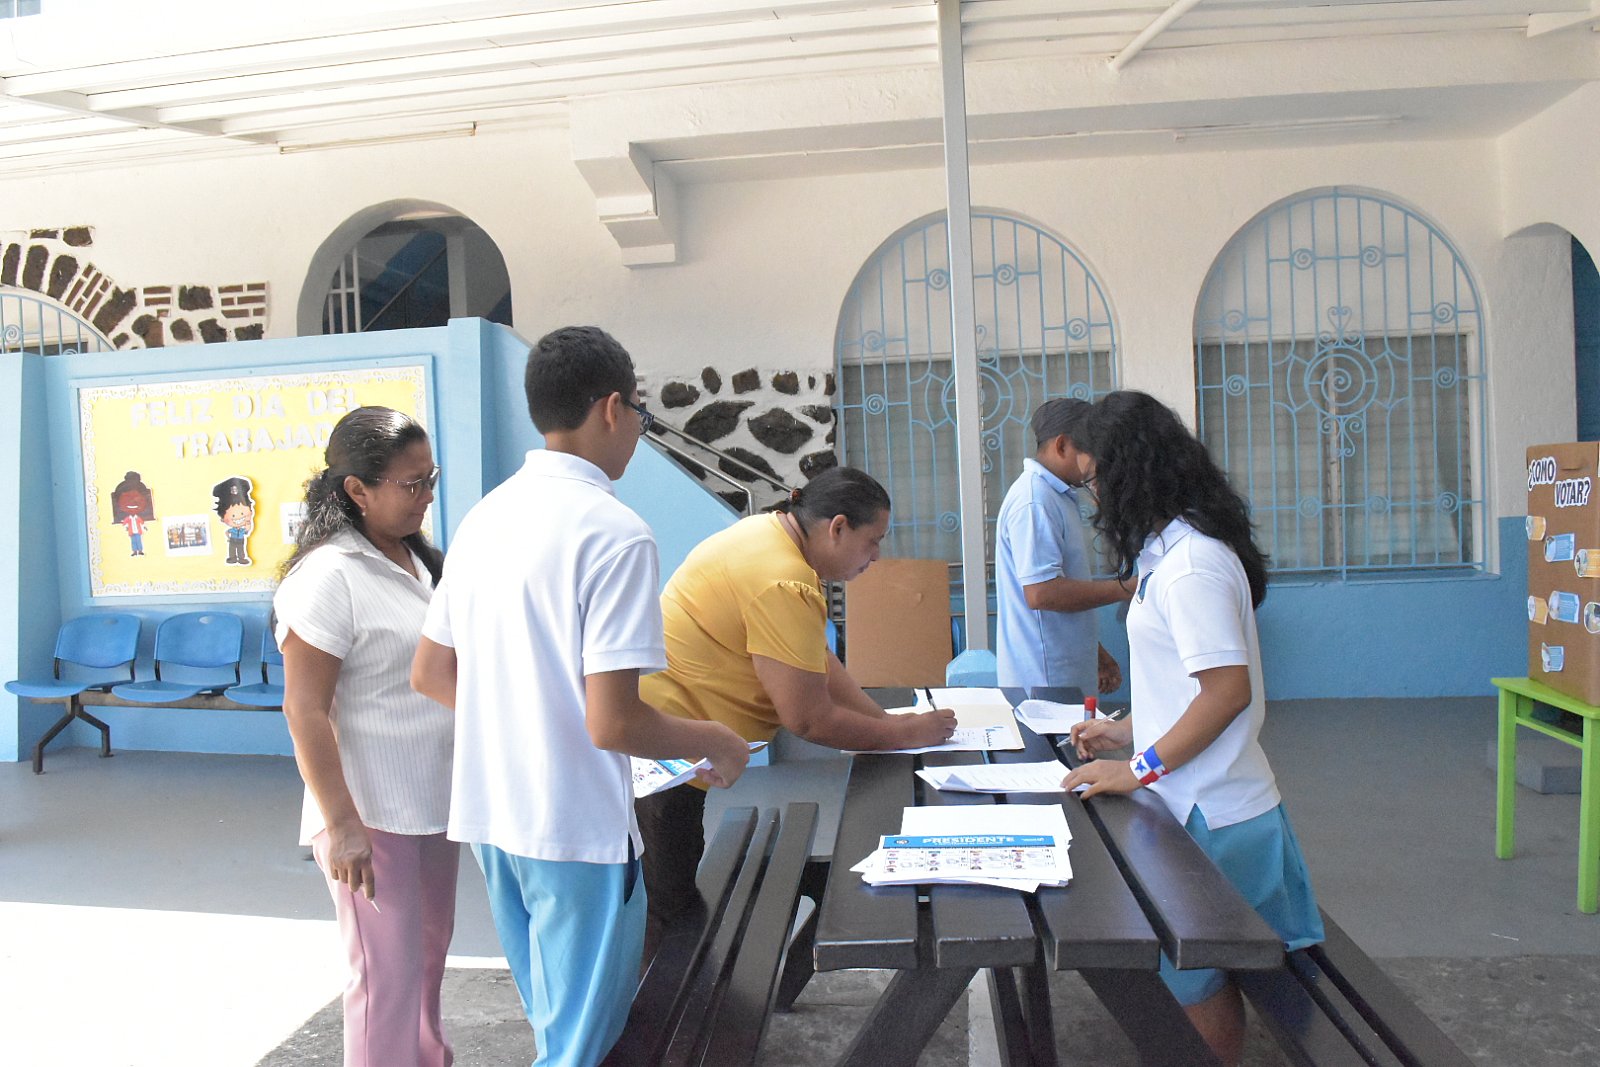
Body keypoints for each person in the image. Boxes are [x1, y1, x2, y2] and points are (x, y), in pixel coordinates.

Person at [409, 325, 750, 1067]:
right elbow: (613, 721)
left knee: (556, 1025)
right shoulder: (616, 533)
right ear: (612, 408)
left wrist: (521, 723)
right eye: (641, 416)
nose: (638, 432)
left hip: (492, 814)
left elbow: (431, 673)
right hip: (574, 825)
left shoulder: (482, 517)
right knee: (580, 1049)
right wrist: (716, 739)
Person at [1063, 390, 1323, 1067]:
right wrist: (1128, 730)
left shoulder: (1192, 565)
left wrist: (1138, 768)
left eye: (1094, 480)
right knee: (1197, 977)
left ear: (1131, 473)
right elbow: (1186, 684)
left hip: (1216, 814)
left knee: (1196, 982)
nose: (1094, 498)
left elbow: (1226, 692)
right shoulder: (1167, 554)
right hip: (1200, 802)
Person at [634, 466, 958, 960]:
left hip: (670, 741)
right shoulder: (784, 579)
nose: (875, 557)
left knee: (668, 904)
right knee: (668, 916)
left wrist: (888, 723)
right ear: (838, 527)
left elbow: (814, 659)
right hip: (666, 763)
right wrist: (906, 733)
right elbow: (808, 719)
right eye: (873, 542)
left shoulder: (764, 535)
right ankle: (654, 1007)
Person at [273, 406, 456, 1067]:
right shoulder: (329, 576)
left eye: (430, 477)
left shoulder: (415, 560)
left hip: (431, 803)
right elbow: (305, 710)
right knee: (384, 980)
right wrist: (342, 824)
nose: (426, 494)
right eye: (412, 483)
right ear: (357, 489)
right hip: (369, 815)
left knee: (427, 959)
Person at [994, 398, 1131, 694]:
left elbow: (1062, 587)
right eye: (1090, 451)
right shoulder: (1034, 500)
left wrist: (1095, 652)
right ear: (1062, 445)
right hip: (1044, 677)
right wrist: (1128, 587)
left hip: (1064, 672)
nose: (1095, 463)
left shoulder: (1057, 495)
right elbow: (1042, 593)